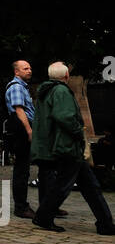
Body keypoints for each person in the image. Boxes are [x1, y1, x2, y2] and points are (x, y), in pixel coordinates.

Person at [30, 62, 115, 234]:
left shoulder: (47, 92)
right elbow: (64, 117)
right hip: (67, 146)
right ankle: (43, 216)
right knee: (65, 186)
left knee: (90, 186)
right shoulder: (60, 91)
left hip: (63, 145)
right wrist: (79, 131)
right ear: (66, 76)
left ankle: (105, 223)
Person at [6, 60, 35, 219]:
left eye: (30, 68)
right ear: (17, 72)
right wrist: (29, 130)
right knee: (22, 170)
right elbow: (19, 110)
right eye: (25, 68)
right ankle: (21, 207)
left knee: (23, 169)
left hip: (23, 129)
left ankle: (23, 205)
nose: (29, 70)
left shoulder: (22, 86)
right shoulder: (16, 87)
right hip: (22, 130)